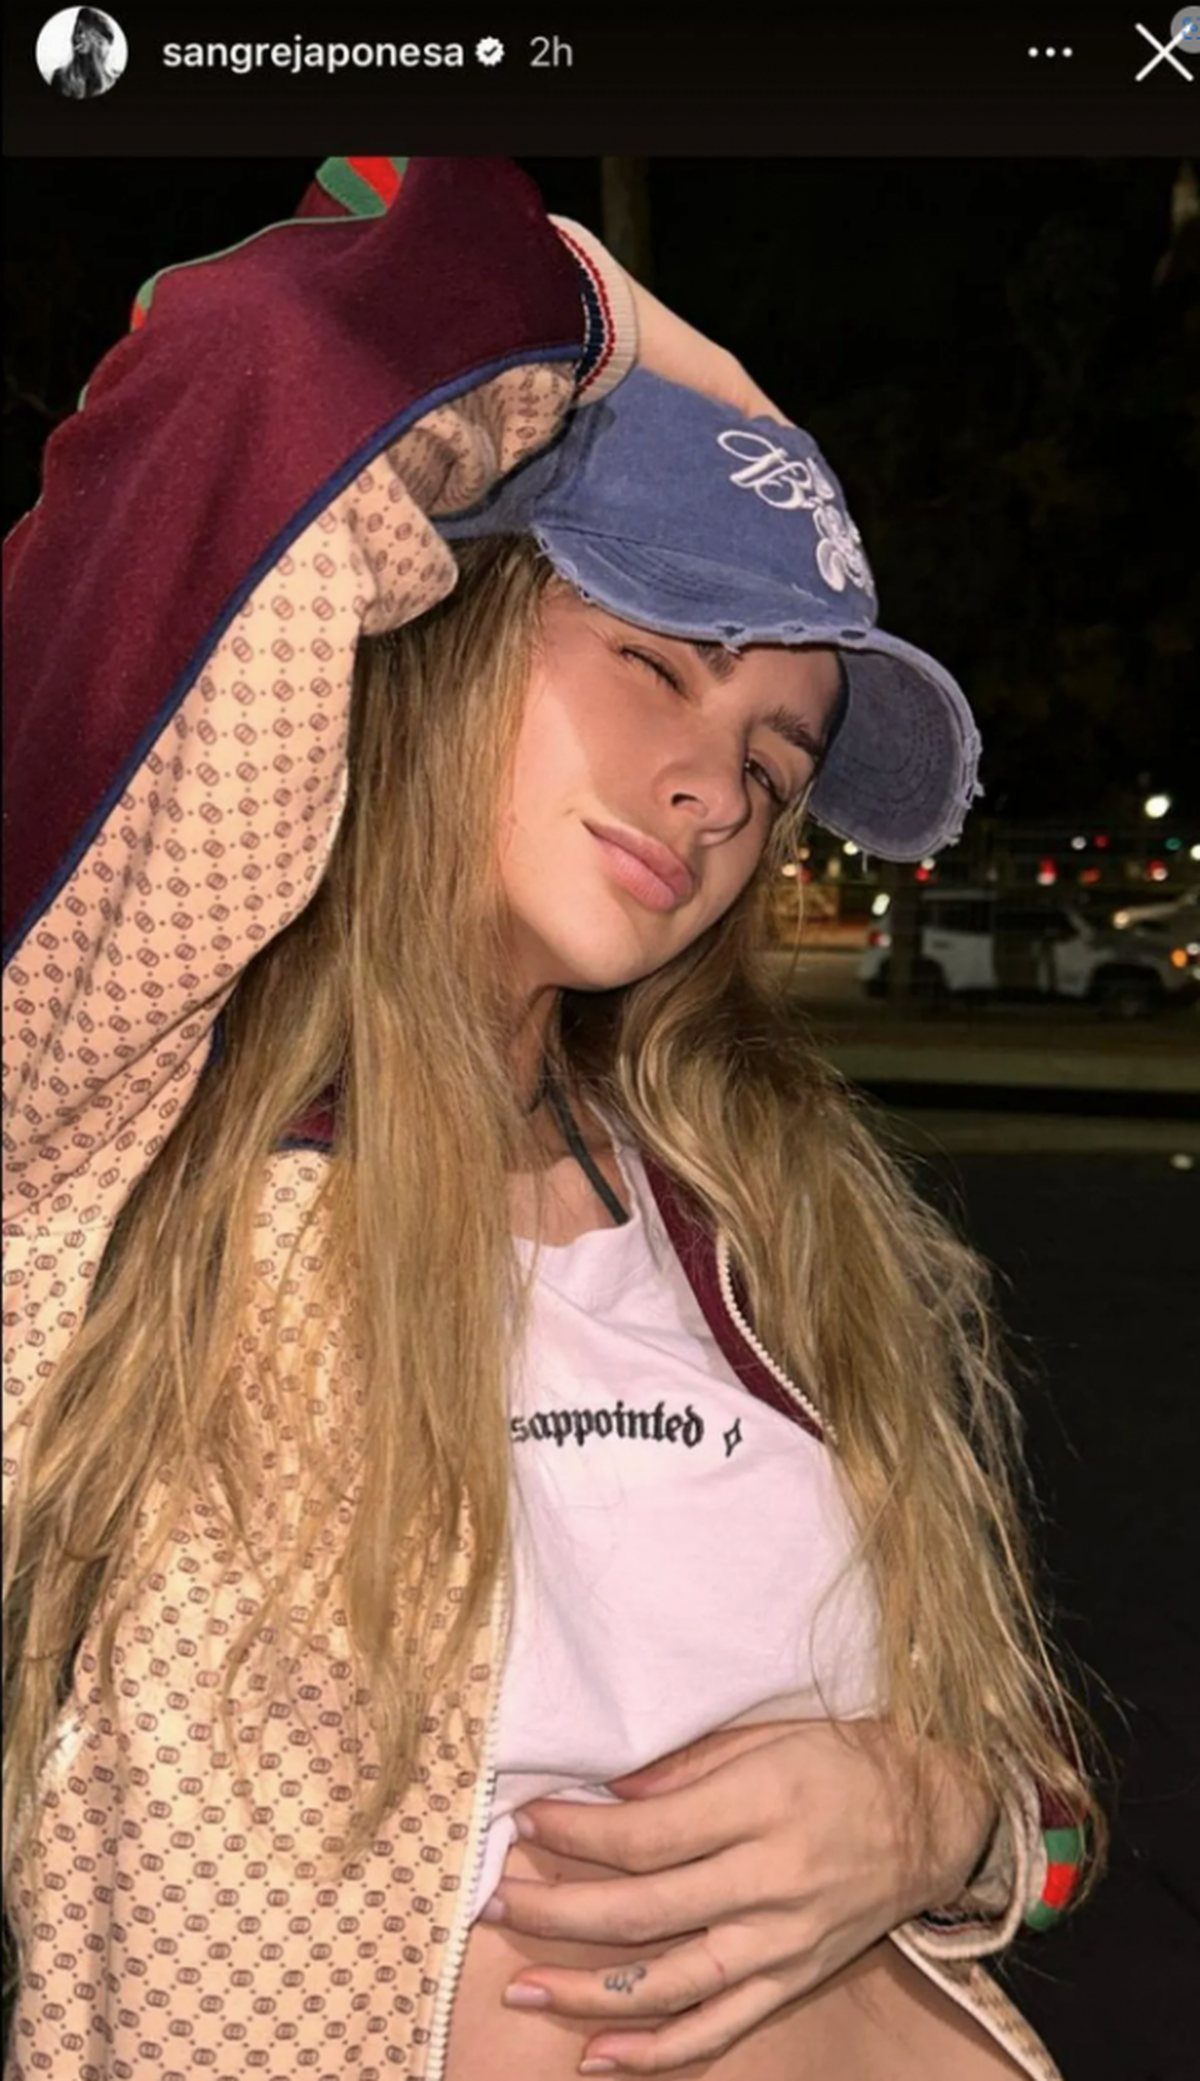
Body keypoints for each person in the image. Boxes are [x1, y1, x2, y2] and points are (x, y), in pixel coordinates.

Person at [2, 156, 1098, 2081]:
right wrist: (648, 348)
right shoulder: (123, 1119)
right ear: (445, 624)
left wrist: (940, 1820)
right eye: (656, 664)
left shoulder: (763, 1212)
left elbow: (1047, 1811)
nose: (713, 793)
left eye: (775, 762)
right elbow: (265, 361)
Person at [47, 6, 121, 98]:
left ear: (100, 42)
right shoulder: (60, 78)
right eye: (78, 31)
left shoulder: (115, 79)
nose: (80, 36)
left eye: (87, 32)